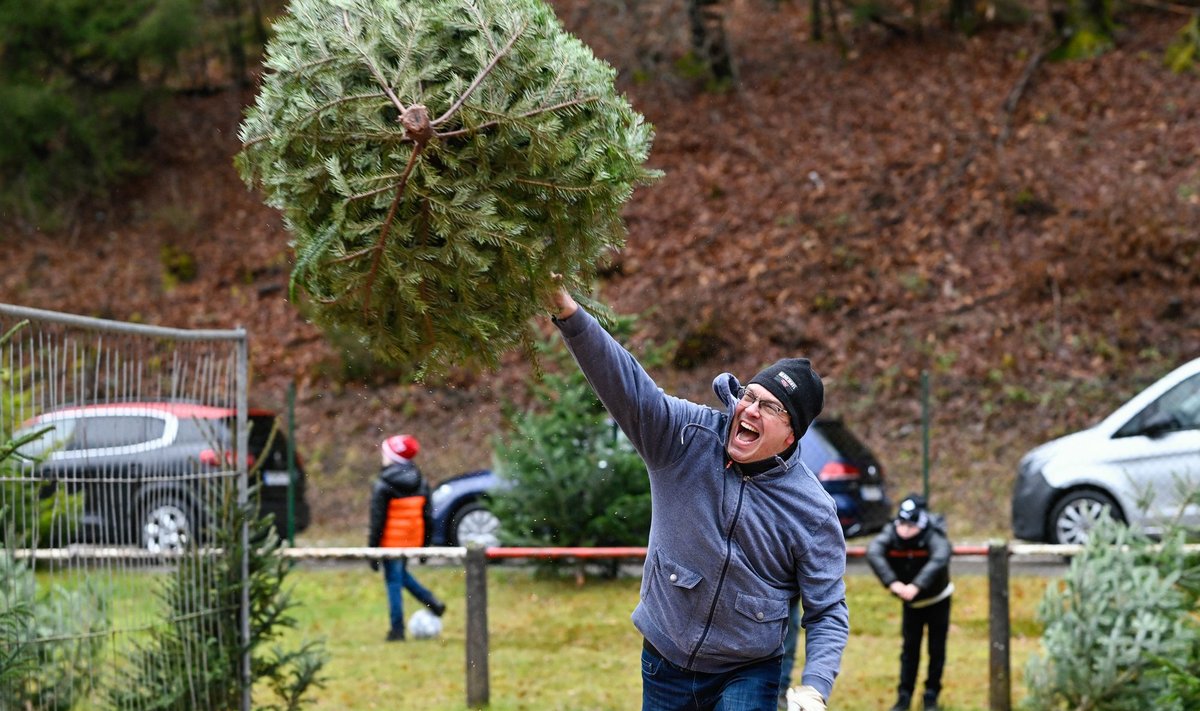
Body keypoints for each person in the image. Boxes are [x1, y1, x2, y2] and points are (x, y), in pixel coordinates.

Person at [549, 285, 848, 711]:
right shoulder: (684, 437)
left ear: (791, 434)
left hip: (748, 668)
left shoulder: (812, 511)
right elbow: (626, 385)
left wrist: (815, 685)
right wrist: (569, 314)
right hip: (665, 659)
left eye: (770, 408)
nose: (750, 410)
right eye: (750, 396)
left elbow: (827, 609)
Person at [866, 494, 954, 711]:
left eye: (910, 525)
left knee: (936, 650)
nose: (904, 530)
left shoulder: (933, 534)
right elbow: (874, 551)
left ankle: (931, 696)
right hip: (911, 605)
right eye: (901, 524)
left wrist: (917, 586)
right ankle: (904, 698)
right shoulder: (891, 533)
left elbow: (941, 556)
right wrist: (893, 583)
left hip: (937, 600)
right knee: (909, 651)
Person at [367, 434, 446, 641]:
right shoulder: (421, 481)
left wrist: (372, 551)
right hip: (412, 540)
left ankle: (397, 630)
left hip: (391, 542)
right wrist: (424, 546)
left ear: (393, 458)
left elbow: (377, 522)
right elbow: (428, 517)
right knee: (400, 575)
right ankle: (432, 603)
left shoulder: (382, 485)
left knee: (393, 581)